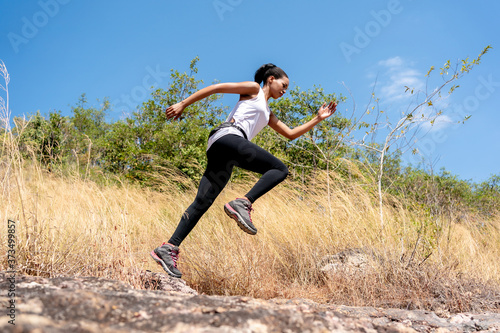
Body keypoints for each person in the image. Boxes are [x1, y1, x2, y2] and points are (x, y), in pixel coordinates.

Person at [150, 63, 337, 278]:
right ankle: (243, 203)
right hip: (228, 136)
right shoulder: (254, 89)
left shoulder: (268, 113)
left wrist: (318, 119)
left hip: (224, 151)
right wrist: (183, 103)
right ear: (270, 79)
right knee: (279, 169)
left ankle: (168, 248)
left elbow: (291, 133)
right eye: (283, 85)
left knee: (202, 203)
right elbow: (217, 88)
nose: (285, 90)